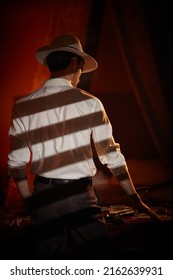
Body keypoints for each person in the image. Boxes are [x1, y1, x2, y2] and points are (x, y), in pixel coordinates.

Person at [7, 34, 162, 259]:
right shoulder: (89, 103)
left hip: (43, 194)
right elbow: (111, 156)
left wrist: (29, 202)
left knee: (45, 269)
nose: (81, 74)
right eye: (81, 67)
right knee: (95, 263)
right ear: (75, 63)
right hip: (79, 195)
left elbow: (17, 163)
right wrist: (134, 197)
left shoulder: (23, 106)